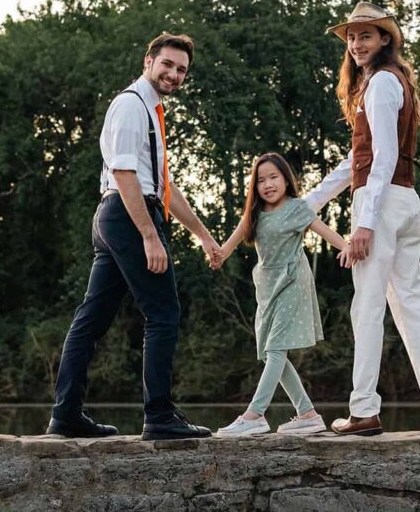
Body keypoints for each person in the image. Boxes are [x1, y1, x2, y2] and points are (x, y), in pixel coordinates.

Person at [47, 32, 220, 441]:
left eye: (181, 70)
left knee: (91, 319)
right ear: (149, 61)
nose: (174, 74)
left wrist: (202, 234)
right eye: (168, 64)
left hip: (119, 215)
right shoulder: (131, 104)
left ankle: (66, 416)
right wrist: (149, 235)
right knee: (163, 313)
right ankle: (160, 416)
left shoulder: (151, 109)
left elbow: (163, 186)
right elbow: (124, 173)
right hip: (128, 215)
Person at [306, 1, 420, 436]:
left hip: (382, 202)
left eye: (365, 35)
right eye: (352, 37)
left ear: (385, 38)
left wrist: (365, 223)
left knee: (367, 307)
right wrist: (310, 202)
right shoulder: (389, 81)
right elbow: (359, 157)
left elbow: (382, 158)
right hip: (403, 200)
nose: (356, 44)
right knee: (411, 305)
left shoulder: (382, 83)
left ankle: (364, 410)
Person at [212, 153, 351, 437]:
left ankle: (254, 415)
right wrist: (219, 255)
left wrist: (347, 247)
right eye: (261, 180)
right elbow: (231, 242)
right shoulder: (254, 213)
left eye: (274, 177)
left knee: (276, 348)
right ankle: (307, 414)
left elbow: (325, 232)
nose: (268, 184)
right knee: (268, 353)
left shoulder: (297, 209)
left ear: (286, 180)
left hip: (292, 280)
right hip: (266, 286)